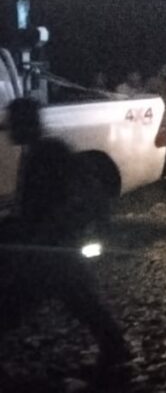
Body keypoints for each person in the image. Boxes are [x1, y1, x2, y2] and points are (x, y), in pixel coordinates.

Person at [0, 97, 130, 371]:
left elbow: (54, 202)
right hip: (53, 244)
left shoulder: (46, 153)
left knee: (26, 299)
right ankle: (116, 348)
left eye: (12, 123)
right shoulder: (44, 150)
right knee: (75, 296)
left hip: (51, 244)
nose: (8, 129)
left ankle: (116, 349)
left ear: (25, 124)